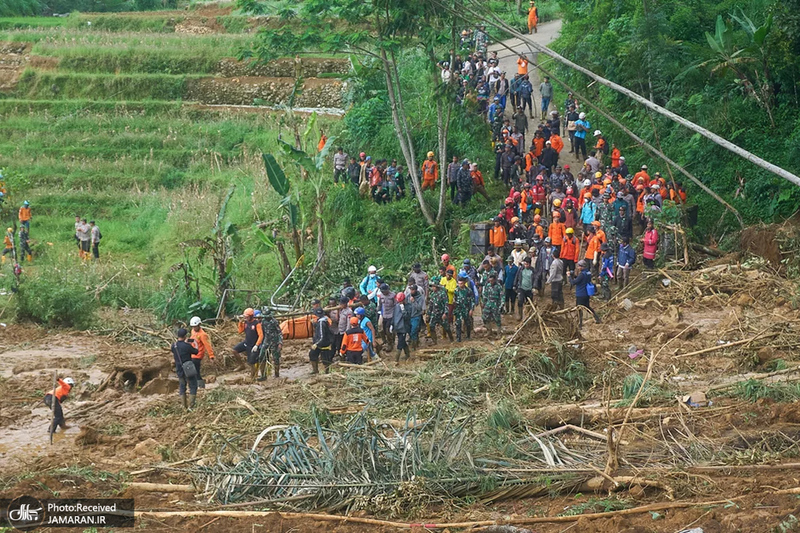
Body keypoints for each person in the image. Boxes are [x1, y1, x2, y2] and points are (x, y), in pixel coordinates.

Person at [172, 328, 199, 410]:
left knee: (182, 386)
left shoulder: (174, 345)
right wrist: (195, 343)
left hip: (179, 369)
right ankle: (191, 406)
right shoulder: (187, 346)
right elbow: (196, 351)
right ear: (185, 336)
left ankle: (184, 406)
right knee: (193, 385)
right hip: (188, 369)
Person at [234, 308, 263, 380]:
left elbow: (261, 335)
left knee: (251, 362)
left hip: (253, 345)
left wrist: (257, 345)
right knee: (235, 350)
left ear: (251, 316)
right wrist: (240, 323)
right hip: (247, 342)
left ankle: (253, 376)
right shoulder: (246, 323)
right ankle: (241, 365)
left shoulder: (257, 324)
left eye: (247, 317)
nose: (246, 318)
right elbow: (240, 331)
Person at [570, 260, 601, 327]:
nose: (578, 267)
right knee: (587, 307)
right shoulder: (588, 272)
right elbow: (580, 279)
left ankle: (580, 323)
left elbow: (573, 282)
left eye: (579, 266)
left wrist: (569, 276)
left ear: (582, 267)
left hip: (580, 294)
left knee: (579, 309)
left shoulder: (582, 274)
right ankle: (596, 318)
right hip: (586, 293)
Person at [189, 316, 215, 389]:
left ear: (199, 325)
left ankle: (201, 385)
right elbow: (192, 339)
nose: (194, 328)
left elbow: (207, 345)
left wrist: (211, 356)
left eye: (195, 326)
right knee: (193, 370)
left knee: (196, 370)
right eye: (193, 327)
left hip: (198, 355)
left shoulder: (203, 335)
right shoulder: (193, 331)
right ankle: (197, 385)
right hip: (192, 353)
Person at [257, 308, 283, 380]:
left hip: (274, 342)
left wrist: (280, 343)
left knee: (276, 358)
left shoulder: (274, 321)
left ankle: (277, 374)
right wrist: (261, 343)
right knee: (261, 357)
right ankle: (263, 375)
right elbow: (263, 333)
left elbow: (279, 332)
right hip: (266, 342)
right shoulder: (263, 321)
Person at [427, 278, 453, 344]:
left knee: (446, 327)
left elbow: (446, 304)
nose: (432, 288)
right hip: (434, 313)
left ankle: (451, 339)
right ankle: (434, 341)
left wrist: (445, 313)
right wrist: (428, 314)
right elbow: (430, 305)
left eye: (433, 286)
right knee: (431, 326)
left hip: (441, 314)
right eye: (432, 286)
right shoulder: (432, 294)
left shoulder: (442, 294)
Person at [309, 308, 334, 374]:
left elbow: (322, 336)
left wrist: (316, 344)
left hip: (323, 343)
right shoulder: (323, 320)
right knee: (312, 354)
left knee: (325, 358)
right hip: (322, 342)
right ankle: (316, 370)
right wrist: (314, 324)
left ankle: (326, 372)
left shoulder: (321, 323)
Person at [481, 271, 504, 337]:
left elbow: (502, 296)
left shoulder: (498, 286)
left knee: (497, 319)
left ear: (495, 280)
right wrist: (483, 302)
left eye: (492, 281)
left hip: (496, 304)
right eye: (490, 281)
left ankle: (499, 333)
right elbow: (485, 295)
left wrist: (502, 304)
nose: (491, 282)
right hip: (488, 303)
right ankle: (489, 330)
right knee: (484, 317)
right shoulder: (488, 286)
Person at [453, 275, 475, 341]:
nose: (460, 285)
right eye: (459, 283)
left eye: (461, 283)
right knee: (458, 323)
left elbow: (472, 300)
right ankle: (458, 337)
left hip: (466, 308)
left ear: (464, 283)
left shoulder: (468, 290)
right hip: (458, 308)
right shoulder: (456, 290)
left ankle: (468, 336)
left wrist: (471, 309)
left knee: (467, 323)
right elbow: (454, 299)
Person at [392, 292, 412, 361]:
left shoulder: (408, 306)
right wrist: (392, 324)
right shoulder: (397, 306)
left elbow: (407, 317)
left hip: (404, 328)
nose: (400, 303)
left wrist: (403, 310)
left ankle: (396, 359)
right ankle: (407, 355)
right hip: (398, 327)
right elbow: (394, 316)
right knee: (402, 341)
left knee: (400, 343)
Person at [406, 284, 425, 350]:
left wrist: (414, 302)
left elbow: (420, 308)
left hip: (416, 316)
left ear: (416, 290)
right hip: (409, 316)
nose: (411, 291)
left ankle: (414, 346)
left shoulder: (420, 297)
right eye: (410, 289)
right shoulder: (408, 296)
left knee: (414, 330)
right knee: (409, 330)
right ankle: (415, 341)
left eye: (413, 290)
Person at [378, 283, 397, 348]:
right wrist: (378, 311)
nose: (383, 292)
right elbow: (380, 304)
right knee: (383, 329)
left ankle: (390, 343)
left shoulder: (393, 295)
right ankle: (386, 341)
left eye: (384, 291)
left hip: (391, 315)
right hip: (384, 315)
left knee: (388, 330)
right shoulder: (381, 296)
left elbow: (396, 305)